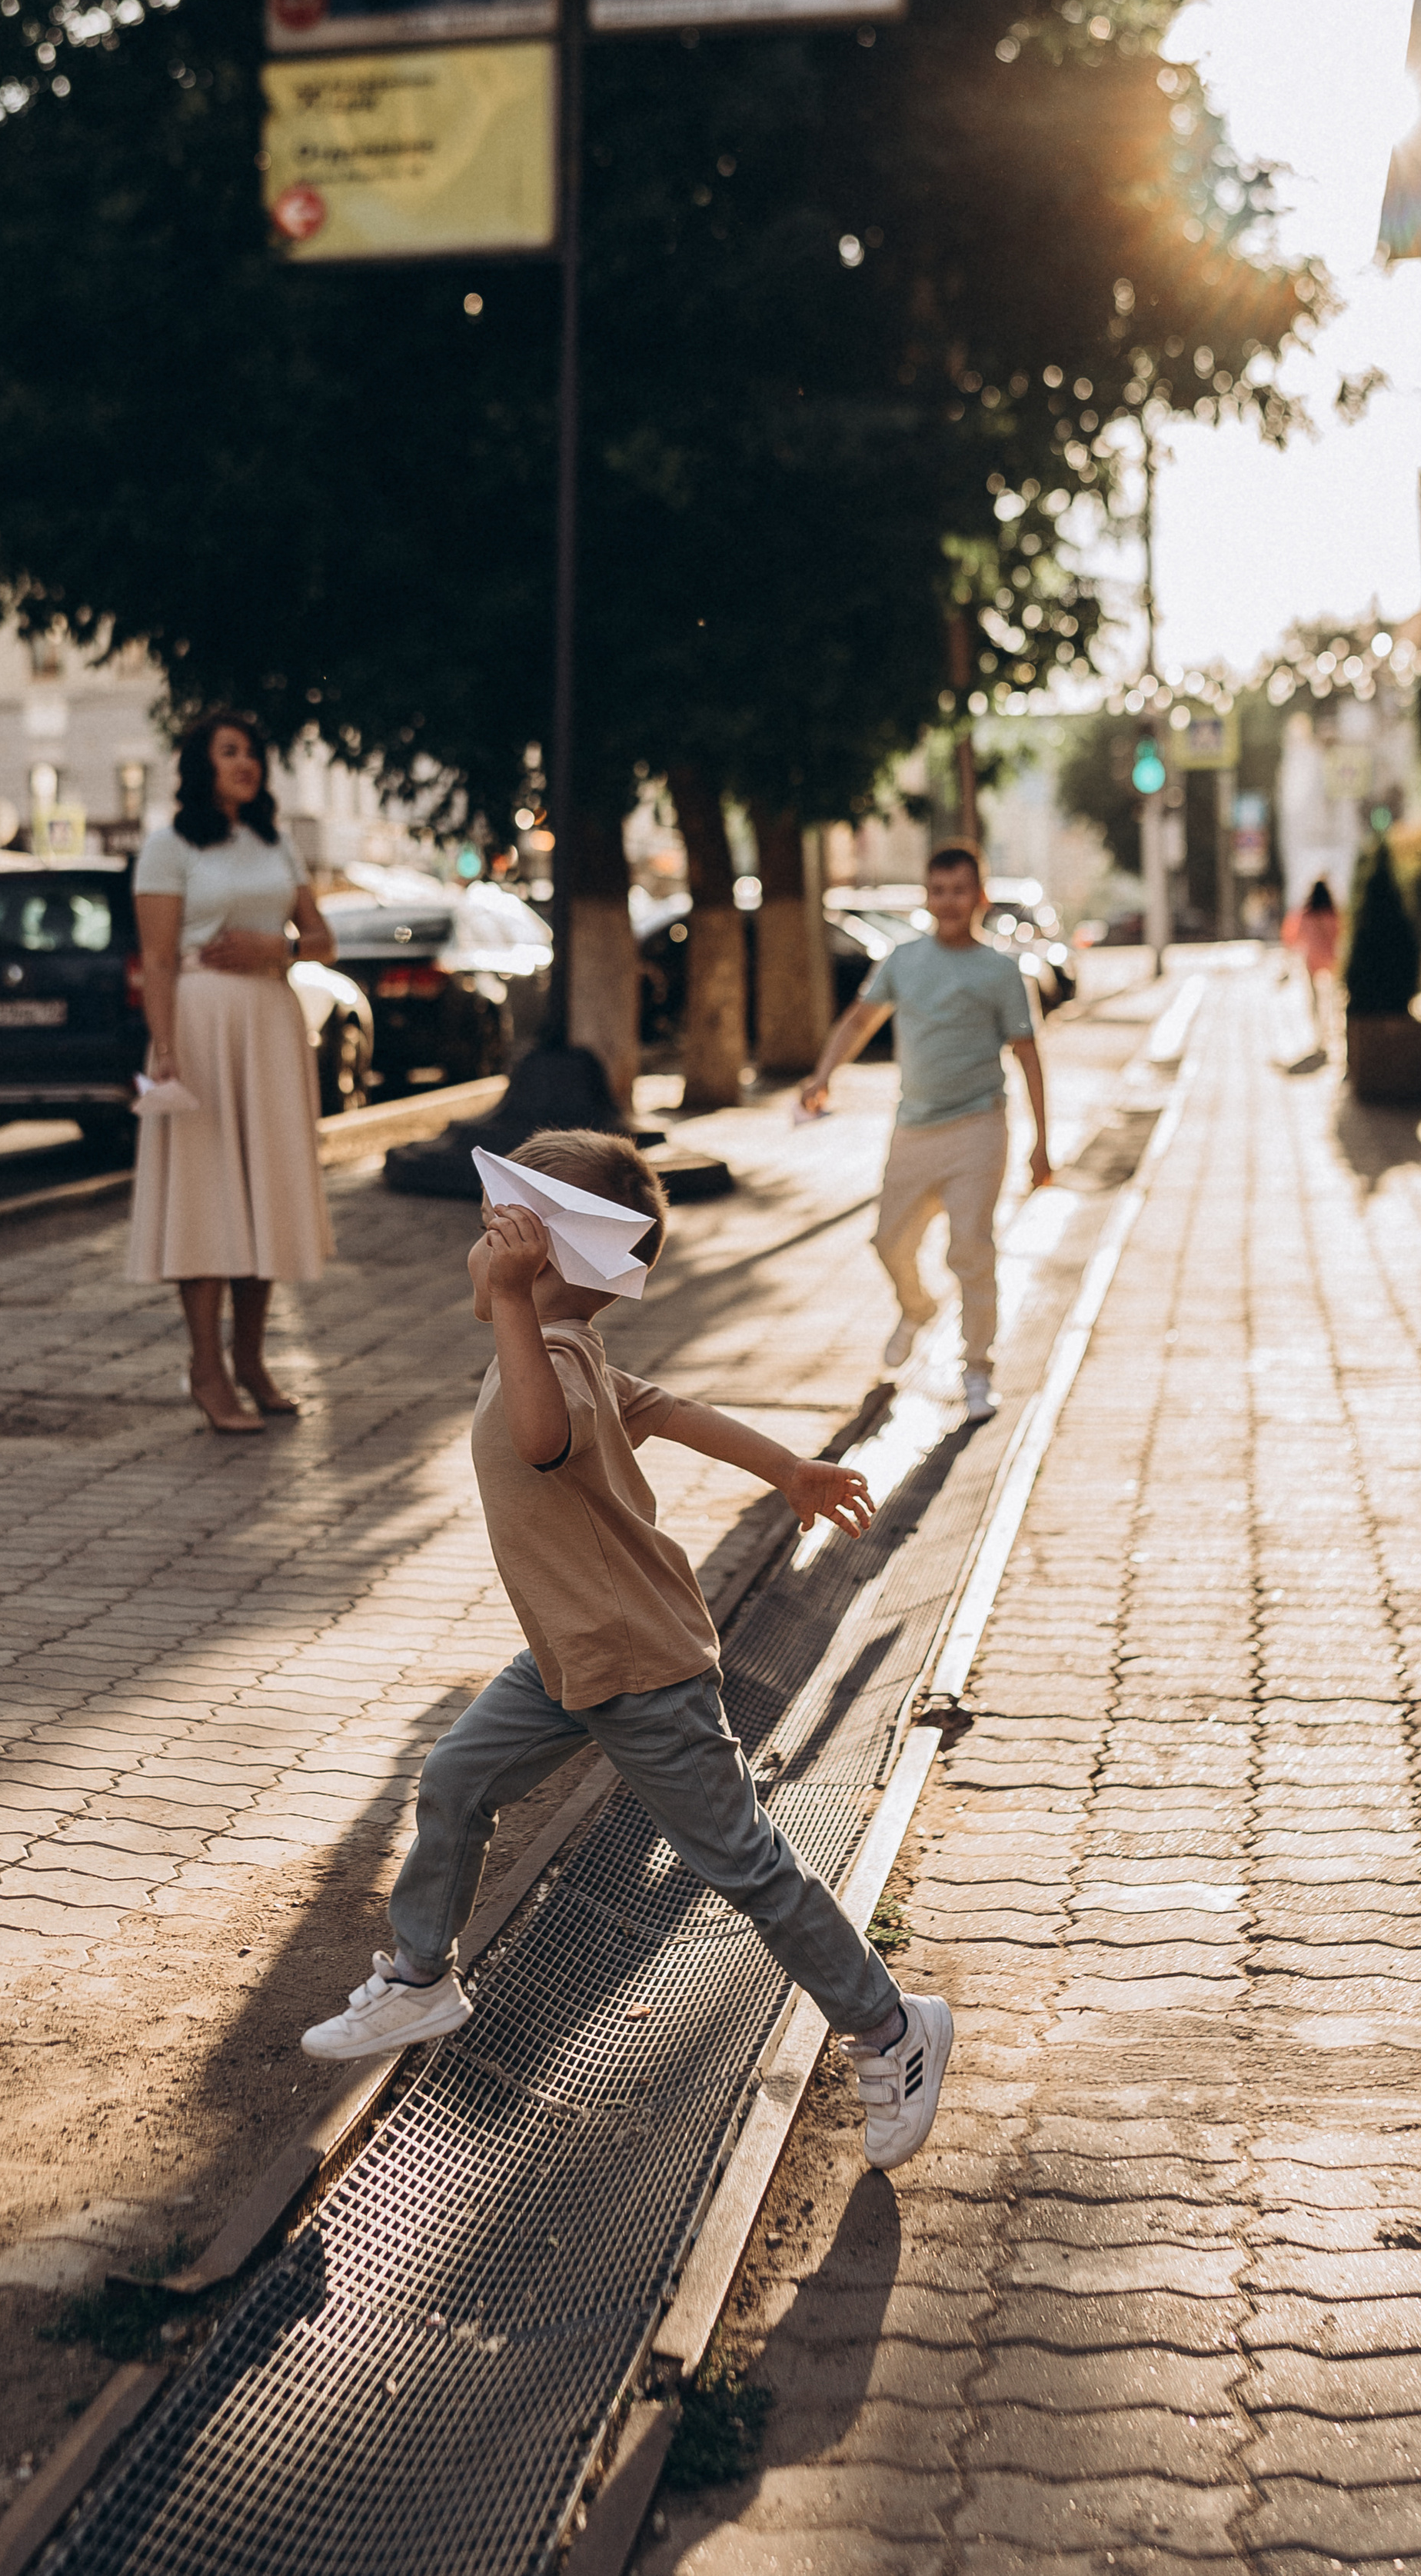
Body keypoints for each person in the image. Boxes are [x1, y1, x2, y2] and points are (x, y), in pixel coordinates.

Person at [297, 1128, 954, 2177]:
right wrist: (787, 1467)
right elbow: (676, 1411)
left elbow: (544, 1440)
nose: (479, 1253)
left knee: (742, 1862)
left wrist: (512, 1300)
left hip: (637, 1663)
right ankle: (423, 1975)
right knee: (458, 1779)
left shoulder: (549, 1355)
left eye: (501, 1239)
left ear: (547, 1262)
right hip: (571, 1658)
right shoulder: (575, 1349)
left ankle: (890, 2027)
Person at [128, 711, 337, 1431]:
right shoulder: (169, 845)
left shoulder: (278, 843)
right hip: (198, 1025)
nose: (245, 763)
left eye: (252, 752)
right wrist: (166, 1049)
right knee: (205, 1195)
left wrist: (274, 947)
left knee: (265, 1191)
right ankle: (207, 1369)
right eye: (229, 752)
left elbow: (323, 940)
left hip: (271, 1027)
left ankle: (250, 1359)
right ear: (200, 764)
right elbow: (156, 958)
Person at [799, 844, 1048, 1424]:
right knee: (888, 1242)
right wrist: (822, 1075)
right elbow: (860, 1020)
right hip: (913, 1130)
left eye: (960, 890)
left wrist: (1042, 1142)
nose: (949, 902)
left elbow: (1030, 1056)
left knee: (972, 1249)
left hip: (979, 1128)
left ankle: (978, 1369)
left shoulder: (1002, 971)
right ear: (927, 898)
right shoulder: (903, 961)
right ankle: (916, 1307)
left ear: (979, 898)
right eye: (938, 891)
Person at [1283, 878, 1340, 1040]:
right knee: (1331, 996)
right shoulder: (1333, 914)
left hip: (1312, 959)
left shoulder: (1305, 915)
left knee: (1314, 997)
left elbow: (1292, 937)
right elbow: (1341, 933)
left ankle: (1319, 1032)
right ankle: (1330, 1026)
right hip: (1330, 957)